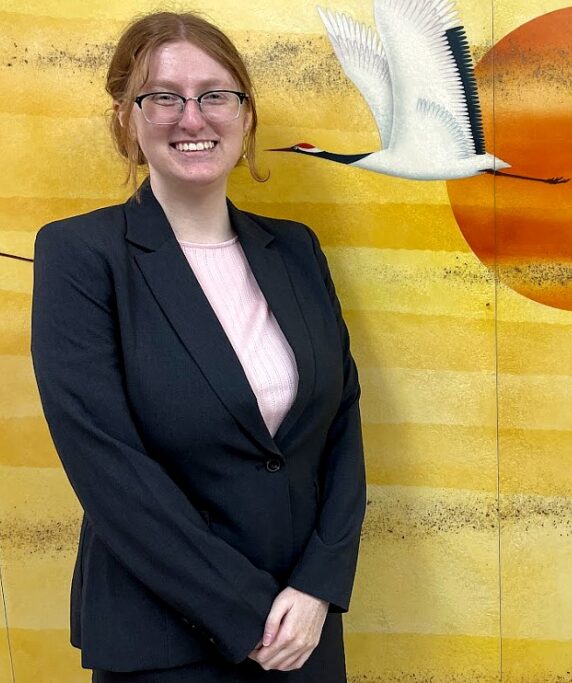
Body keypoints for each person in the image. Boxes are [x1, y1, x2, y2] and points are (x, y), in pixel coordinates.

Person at [30, 11, 366, 682]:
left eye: (215, 95)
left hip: (301, 629)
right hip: (165, 637)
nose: (193, 117)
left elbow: (341, 425)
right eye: (164, 97)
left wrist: (318, 586)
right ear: (127, 118)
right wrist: (248, 614)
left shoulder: (296, 249)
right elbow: (110, 470)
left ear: (245, 114)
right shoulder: (79, 255)